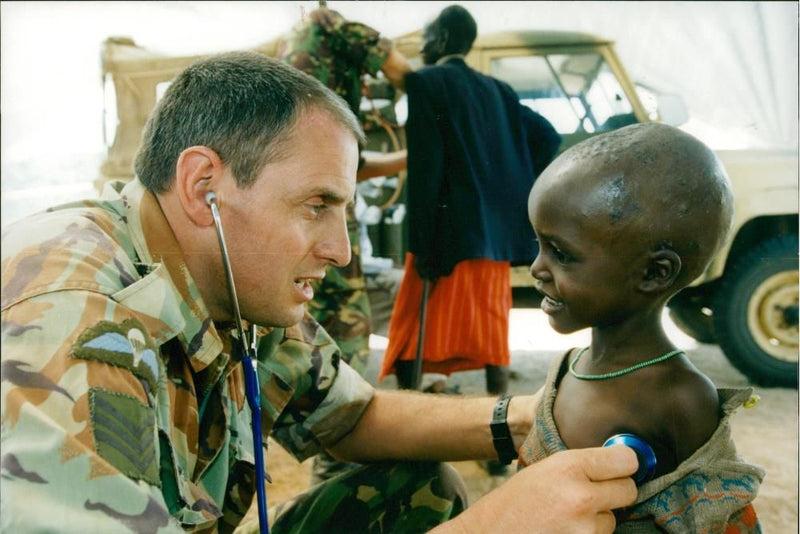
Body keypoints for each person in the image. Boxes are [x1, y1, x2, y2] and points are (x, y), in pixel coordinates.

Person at [0, 51, 639, 533]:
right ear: (204, 189)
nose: (342, 250)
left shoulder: (229, 274)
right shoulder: (72, 330)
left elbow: (350, 415)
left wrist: (531, 418)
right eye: (316, 205)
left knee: (409, 489)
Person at [520, 122, 765, 532]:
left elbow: (715, 520)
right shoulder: (569, 368)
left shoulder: (680, 398)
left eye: (561, 254)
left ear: (654, 272)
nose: (536, 269)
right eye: (539, 246)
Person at [379, 6, 561, 400]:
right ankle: (499, 433)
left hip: (446, 235)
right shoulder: (500, 91)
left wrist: (422, 244)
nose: (422, 45)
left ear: (442, 40)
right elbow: (547, 136)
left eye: (426, 36)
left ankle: (407, 416)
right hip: (490, 238)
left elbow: (426, 169)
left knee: (413, 325)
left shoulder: (426, 83)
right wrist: (514, 181)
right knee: (491, 329)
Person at [277, 5, 412, 484]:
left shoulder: (292, 49)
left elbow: (342, 163)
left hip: (297, 220)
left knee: (314, 342)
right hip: (320, 224)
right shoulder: (328, 25)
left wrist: (405, 157)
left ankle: (331, 465)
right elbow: (406, 73)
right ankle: (335, 474)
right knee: (347, 343)